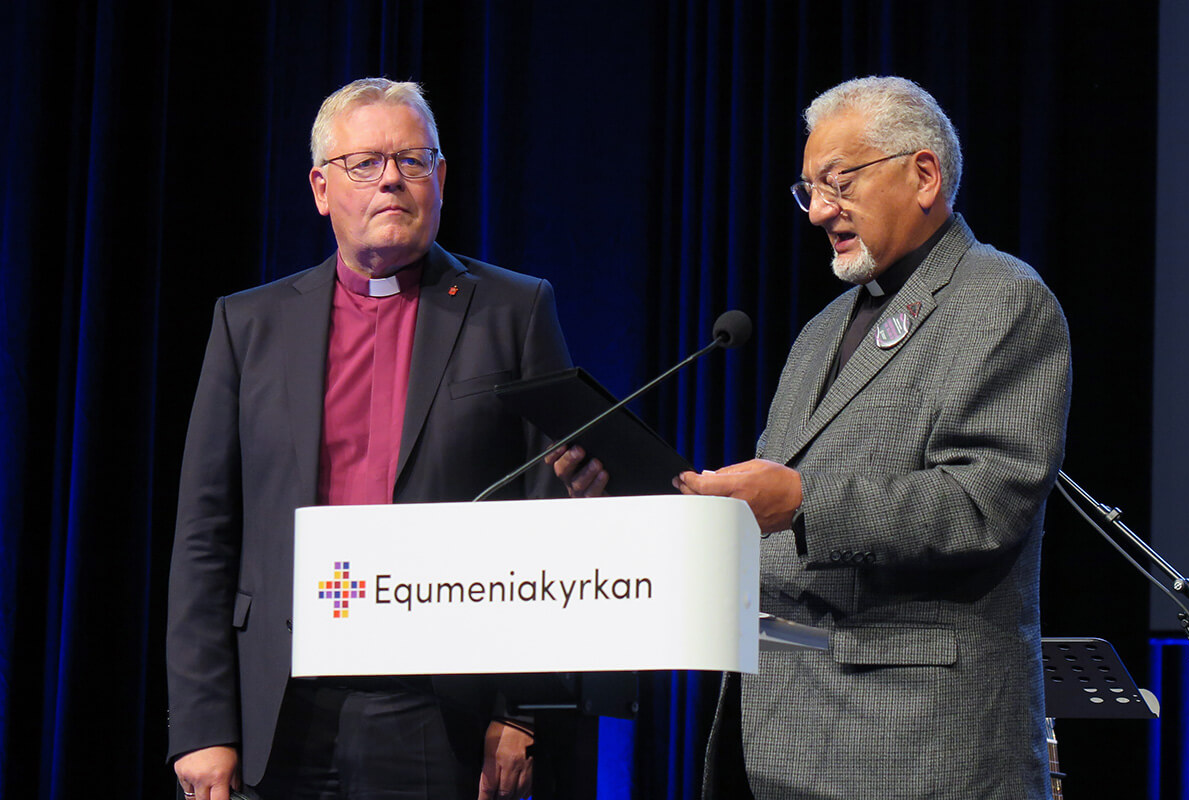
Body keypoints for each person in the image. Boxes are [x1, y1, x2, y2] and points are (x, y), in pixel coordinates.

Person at [552, 76, 1071, 798]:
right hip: (785, 733)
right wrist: (644, 496)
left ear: (923, 175)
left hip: (917, 742)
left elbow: (985, 503)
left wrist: (804, 503)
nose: (820, 211)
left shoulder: (1002, 298)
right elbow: (768, 524)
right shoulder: (822, 331)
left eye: (839, 182)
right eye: (808, 191)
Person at [167, 77, 572, 800]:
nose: (391, 178)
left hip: (437, 710)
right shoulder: (248, 325)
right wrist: (202, 723)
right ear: (322, 188)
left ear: (441, 179)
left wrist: (524, 710)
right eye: (365, 164)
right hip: (279, 706)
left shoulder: (514, 311)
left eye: (412, 161)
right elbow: (205, 533)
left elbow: (551, 520)